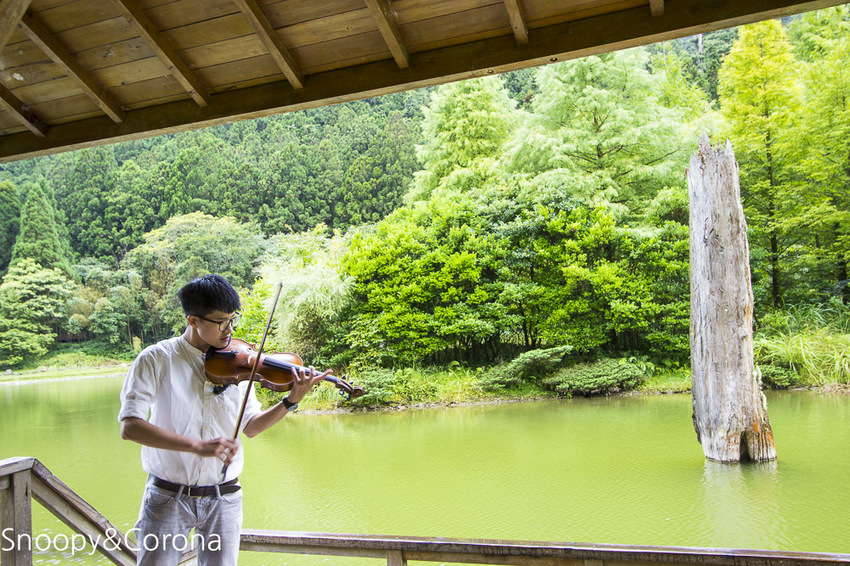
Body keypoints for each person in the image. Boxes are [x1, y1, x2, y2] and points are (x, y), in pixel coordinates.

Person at [118, 274, 327, 565]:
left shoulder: (240, 361)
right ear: (193, 320)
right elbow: (130, 427)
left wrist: (290, 401)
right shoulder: (156, 359)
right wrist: (196, 446)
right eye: (220, 322)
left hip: (224, 498)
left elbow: (251, 427)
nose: (229, 329)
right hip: (168, 497)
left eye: (232, 319)